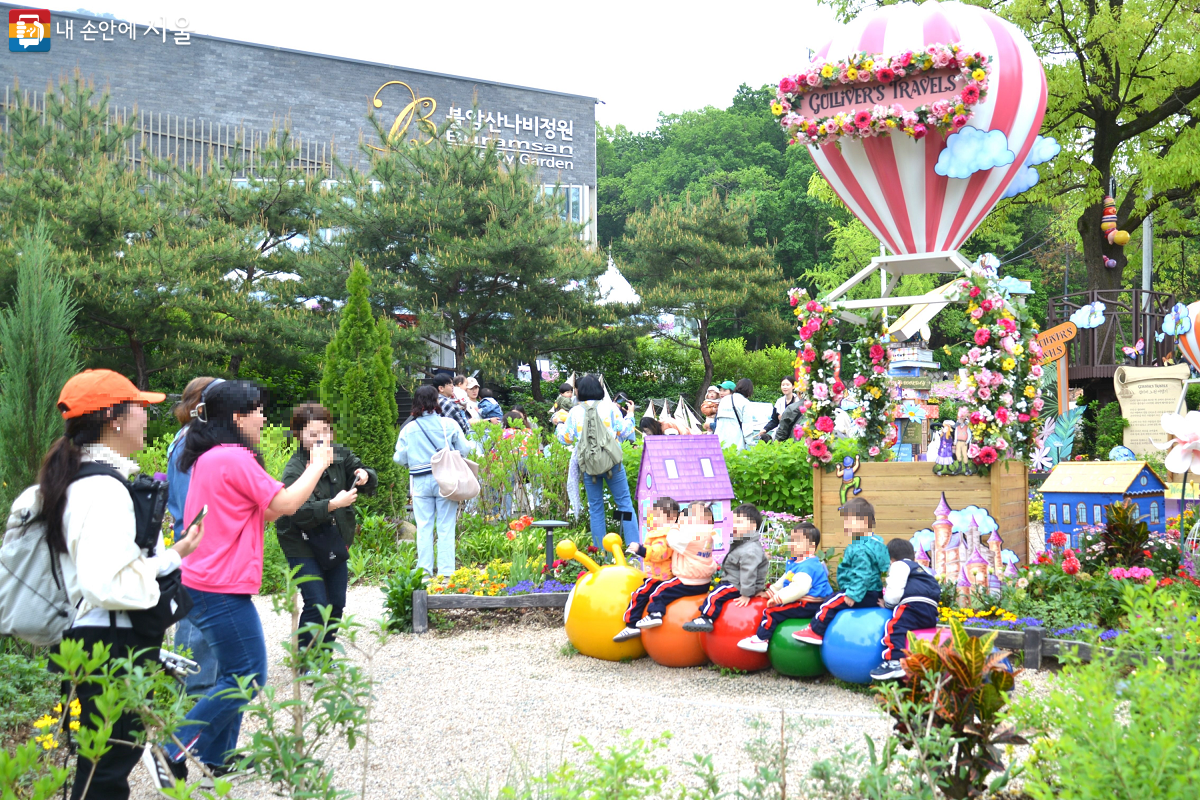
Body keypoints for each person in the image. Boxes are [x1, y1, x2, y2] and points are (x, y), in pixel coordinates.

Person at [23, 369, 203, 800]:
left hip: (89, 641)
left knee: (99, 761)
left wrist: (170, 555)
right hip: (110, 647)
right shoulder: (102, 489)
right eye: (139, 408)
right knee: (106, 768)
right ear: (113, 419)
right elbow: (107, 583)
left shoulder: (78, 479)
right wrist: (171, 562)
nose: (146, 417)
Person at [150, 380, 334, 788]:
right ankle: (174, 748)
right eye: (257, 410)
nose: (264, 417)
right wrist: (318, 465)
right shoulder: (233, 457)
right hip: (219, 584)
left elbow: (265, 511)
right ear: (237, 417)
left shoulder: (210, 456)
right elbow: (283, 505)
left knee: (231, 672)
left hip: (204, 579)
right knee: (248, 674)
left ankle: (219, 758)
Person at [276, 403, 377, 652]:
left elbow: (363, 472)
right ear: (299, 435)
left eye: (324, 432)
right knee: (316, 602)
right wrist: (332, 505)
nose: (319, 439)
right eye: (312, 434)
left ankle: (324, 655)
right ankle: (306, 659)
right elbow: (297, 512)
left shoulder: (339, 454)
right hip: (301, 542)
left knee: (336, 601)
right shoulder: (294, 468)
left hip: (333, 538)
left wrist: (365, 474)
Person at [166, 377, 220, 695]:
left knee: (201, 614)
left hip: (196, 537)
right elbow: (193, 502)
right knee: (196, 616)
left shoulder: (192, 438)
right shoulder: (190, 442)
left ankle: (200, 686)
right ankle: (192, 690)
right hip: (195, 539)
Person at [393, 385, 474, 576]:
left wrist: (413, 460)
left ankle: (425, 570)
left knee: (424, 526)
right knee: (446, 526)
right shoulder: (449, 424)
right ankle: (446, 572)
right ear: (436, 401)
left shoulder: (409, 429)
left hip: (420, 482)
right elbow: (465, 449)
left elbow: (398, 458)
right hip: (446, 480)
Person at [555, 374, 639, 547]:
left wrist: (558, 424)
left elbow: (566, 439)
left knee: (596, 509)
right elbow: (624, 432)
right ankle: (634, 550)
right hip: (613, 464)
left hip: (589, 466)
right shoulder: (610, 408)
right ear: (599, 390)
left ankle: (601, 555)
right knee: (625, 504)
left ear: (579, 392)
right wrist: (630, 414)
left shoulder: (575, 412)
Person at [794, 498, 890, 646]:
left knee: (828, 604)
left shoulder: (860, 548)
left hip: (860, 593)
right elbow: (883, 566)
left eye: (848, 520)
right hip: (872, 592)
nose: (845, 525)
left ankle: (815, 631)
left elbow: (862, 574)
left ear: (863, 522)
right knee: (833, 600)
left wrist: (853, 594)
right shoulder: (876, 543)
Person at [737, 522, 832, 652]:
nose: (792, 544)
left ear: (810, 547)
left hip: (808, 604)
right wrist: (770, 592)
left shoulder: (807, 567)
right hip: (805, 601)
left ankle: (761, 639)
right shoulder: (798, 561)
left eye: (797, 541)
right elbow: (785, 579)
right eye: (791, 540)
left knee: (771, 612)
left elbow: (798, 589)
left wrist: (778, 598)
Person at [682, 504, 769, 632]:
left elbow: (748, 573)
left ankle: (706, 618)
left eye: (739, 522)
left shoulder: (750, 549)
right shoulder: (741, 543)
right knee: (716, 592)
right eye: (734, 522)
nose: (734, 525)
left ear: (752, 526)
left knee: (714, 596)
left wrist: (746, 594)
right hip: (736, 582)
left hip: (738, 585)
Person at [635, 503, 718, 628]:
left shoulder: (691, 537)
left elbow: (671, 540)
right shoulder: (709, 535)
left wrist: (675, 526)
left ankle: (655, 614)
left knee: (660, 591)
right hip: (704, 582)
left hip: (688, 581)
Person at [870, 538, 942, 681]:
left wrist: (888, 604)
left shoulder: (899, 565)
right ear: (913, 556)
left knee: (895, 627)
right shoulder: (923, 570)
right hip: (930, 610)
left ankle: (895, 662)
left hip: (912, 605)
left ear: (890, 559)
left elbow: (895, 592)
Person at [614, 497, 679, 642]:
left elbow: (660, 552)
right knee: (646, 594)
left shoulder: (666, 534)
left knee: (639, 595)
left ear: (671, 517)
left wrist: (642, 550)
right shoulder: (665, 533)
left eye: (658, 516)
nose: (654, 519)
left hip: (660, 577)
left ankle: (631, 624)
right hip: (661, 575)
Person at [715, 378, 755, 451]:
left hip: (720, 441)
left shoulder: (724, 400)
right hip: (736, 442)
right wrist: (752, 444)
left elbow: (718, 421)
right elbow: (747, 426)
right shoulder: (745, 402)